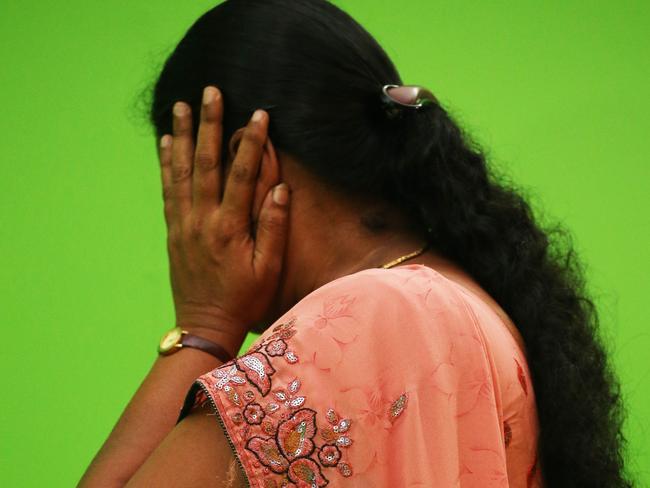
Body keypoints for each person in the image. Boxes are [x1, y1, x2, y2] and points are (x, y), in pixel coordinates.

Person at [78, 0, 630, 486]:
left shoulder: (367, 320)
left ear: (252, 161)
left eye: (187, 188)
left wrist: (204, 325)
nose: (185, 230)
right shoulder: (471, 302)